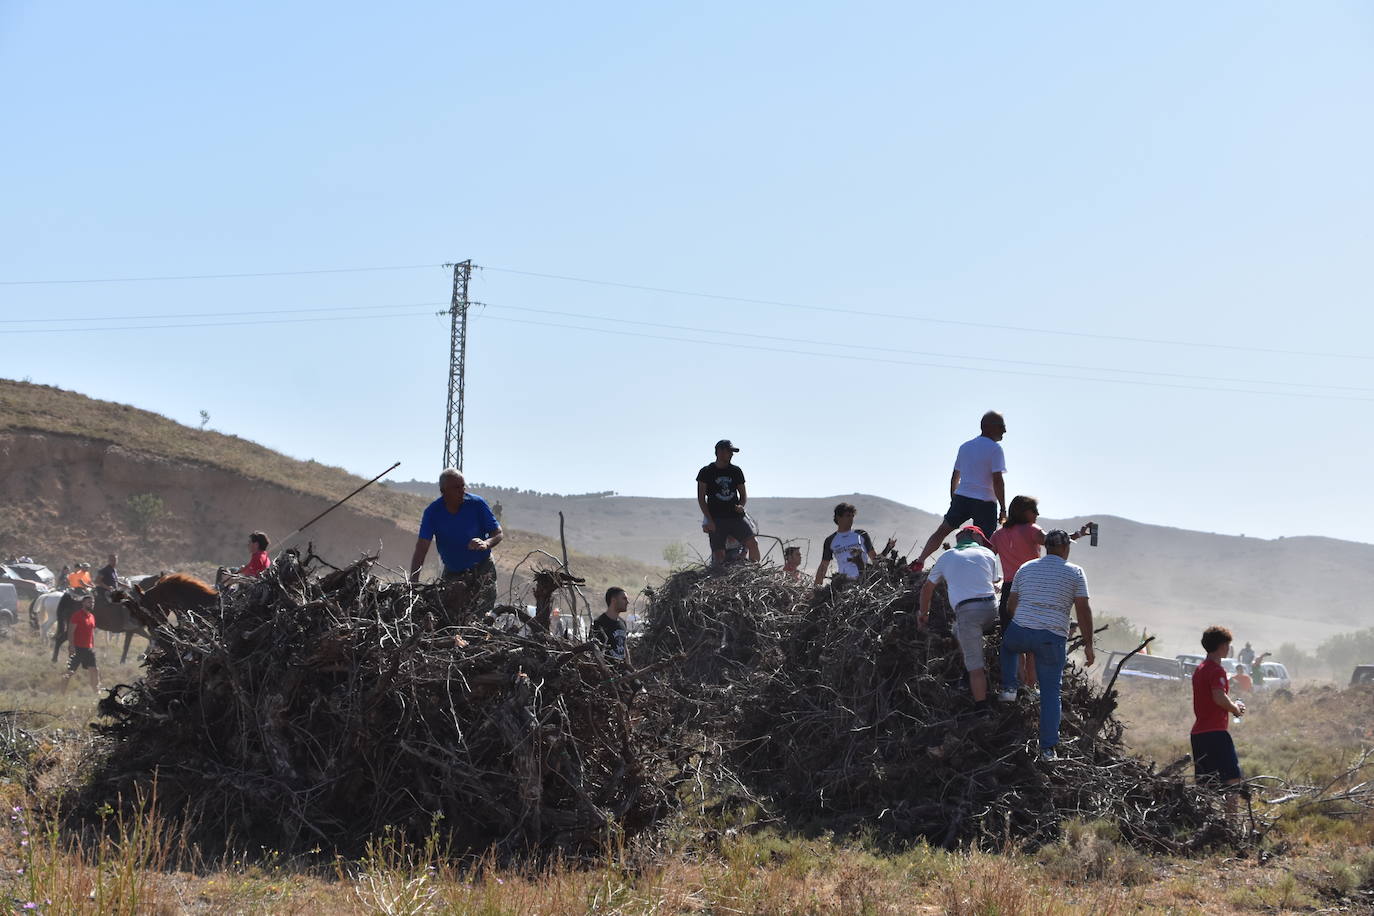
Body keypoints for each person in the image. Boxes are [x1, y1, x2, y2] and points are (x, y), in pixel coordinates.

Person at [997, 529, 1094, 760]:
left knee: (1009, 647)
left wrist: (1026, 619)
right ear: (1065, 548)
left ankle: (1009, 688)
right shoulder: (1076, 573)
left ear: (1046, 547)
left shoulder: (1026, 567)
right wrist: (1088, 644)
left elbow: (1011, 605)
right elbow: (1083, 609)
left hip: (1022, 629)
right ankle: (1048, 749)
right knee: (1051, 693)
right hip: (1052, 637)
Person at [989, 497, 1094, 687]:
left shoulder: (998, 534)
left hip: (1008, 589)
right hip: (1031, 587)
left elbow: (987, 556)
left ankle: (1019, 683)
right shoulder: (1032, 530)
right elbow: (1055, 543)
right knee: (1032, 640)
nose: (1037, 514)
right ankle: (1030, 684)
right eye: (1034, 510)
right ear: (1024, 511)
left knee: (1014, 640)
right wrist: (1077, 534)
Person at [912, 412, 1008, 572]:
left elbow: (954, 477)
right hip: (985, 501)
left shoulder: (965, 447)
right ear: (989, 427)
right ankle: (984, 574)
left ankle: (920, 561)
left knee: (942, 530)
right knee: (986, 543)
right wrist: (1003, 508)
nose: (1004, 431)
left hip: (962, 497)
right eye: (1002, 426)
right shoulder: (995, 449)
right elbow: (997, 480)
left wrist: (953, 499)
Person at [919, 526, 1002, 709]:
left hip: (968, 613)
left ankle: (981, 708)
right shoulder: (987, 553)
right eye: (982, 539)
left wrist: (923, 614)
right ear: (974, 536)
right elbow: (994, 581)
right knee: (957, 629)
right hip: (991, 609)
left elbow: (927, 588)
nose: (983, 543)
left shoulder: (946, 557)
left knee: (976, 667)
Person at [409, 469, 503, 613]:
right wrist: (413, 584)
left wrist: (486, 543)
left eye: (463, 486)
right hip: (453, 572)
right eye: (456, 488)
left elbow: (498, 533)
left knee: (482, 615)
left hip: (483, 568)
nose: (462, 491)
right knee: (449, 616)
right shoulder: (433, 513)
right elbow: (421, 549)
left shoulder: (477, 504)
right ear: (443, 491)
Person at [1191, 625, 1247, 810]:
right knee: (1233, 780)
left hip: (1199, 733)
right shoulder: (1216, 670)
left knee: (1206, 784)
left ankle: (1205, 822)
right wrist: (1235, 709)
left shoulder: (1200, 669)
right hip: (1215, 732)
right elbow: (1219, 697)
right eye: (1228, 644)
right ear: (1222, 646)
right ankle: (1231, 825)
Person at [696, 440, 760, 567]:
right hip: (717, 518)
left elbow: (743, 495)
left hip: (735, 517)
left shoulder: (736, 471)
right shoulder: (706, 471)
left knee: (753, 543)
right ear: (719, 452)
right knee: (719, 554)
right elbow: (701, 499)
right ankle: (718, 578)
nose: (731, 454)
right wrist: (709, 520)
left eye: (732, 452)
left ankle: (755, 570)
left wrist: (741, 505)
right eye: (729, 452)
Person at [814, 503, 896, 586]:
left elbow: (875, 559)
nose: (851, 519)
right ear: (838, 517)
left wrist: (888, 548)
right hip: (843, 582)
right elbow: (823, 566)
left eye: (852, 516)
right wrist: (816, 588)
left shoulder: (861, 534)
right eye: (848, 516)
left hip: (863, 581)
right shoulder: (831, 540)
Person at [60, 595, 100, 696]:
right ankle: (61, 693)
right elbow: (70, 631)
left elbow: (91, 632)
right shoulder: (77, 615)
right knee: (70, 671)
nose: (91, 604)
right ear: (83, 603)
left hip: (89, 648)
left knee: (94, 670)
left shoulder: (92, 617)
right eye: (89, 602)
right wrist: (71, 646)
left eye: (93, 602)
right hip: (77, 648)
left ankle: (97, 692)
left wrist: (93, 646)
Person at [592, 587, 631, 662]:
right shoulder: (599, 623)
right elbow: (594, 651)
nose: (627, 602)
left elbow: (624, 647)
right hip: (607, 670)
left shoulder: (622, 623)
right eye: (624, 599)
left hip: (622, 671)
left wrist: (630, 668)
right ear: (613, 600)